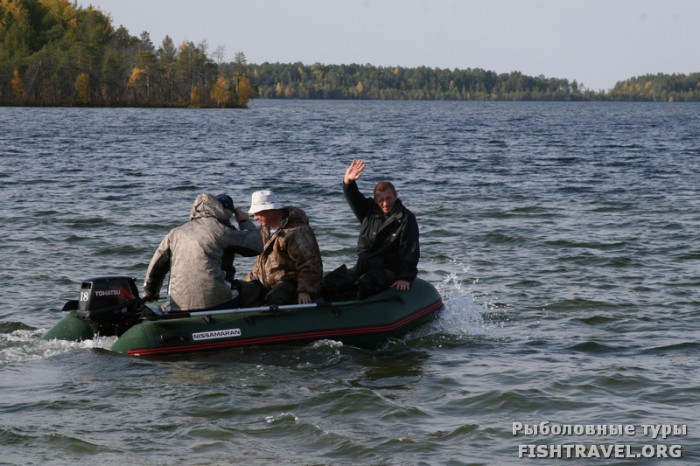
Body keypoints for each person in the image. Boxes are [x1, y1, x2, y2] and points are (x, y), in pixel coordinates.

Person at [142, 193, 263, 312]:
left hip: (177, 305)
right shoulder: (222, 229)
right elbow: (257, 245)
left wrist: (150, 293)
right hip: (216, 301)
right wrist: (243, 221)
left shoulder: (175, 233)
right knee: (257, 289)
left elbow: (156, 267)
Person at [322, 159, 420, 299]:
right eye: (381, 200)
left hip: (388, 270)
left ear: (395, 196)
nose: (385, 203)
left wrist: (405, 277)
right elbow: (353, 196)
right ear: (375, 200)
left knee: (362, 285)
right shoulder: (368, 211)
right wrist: (348, 181)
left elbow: (411, 250)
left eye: (388, 198)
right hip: (362, 266)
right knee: (328, 283)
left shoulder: (406, 218)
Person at [241, 190, 323, 306]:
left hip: (291, 284)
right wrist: (244, 283)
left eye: (257, 213)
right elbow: (260, 265)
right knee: (240, 291)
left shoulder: (297, 232)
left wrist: (304, 291)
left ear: (270, 210)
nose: (255, 218)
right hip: (268, 284)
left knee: (274, 298)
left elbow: (310, 263)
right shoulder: (264, 231)